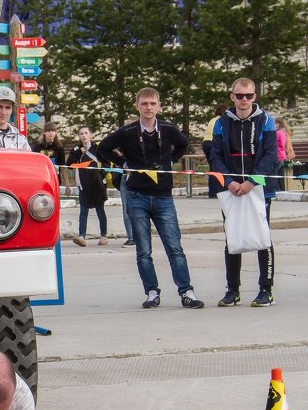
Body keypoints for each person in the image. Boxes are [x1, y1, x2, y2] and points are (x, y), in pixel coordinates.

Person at [92, 87, 205, 309]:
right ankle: (152, 291)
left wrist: (170, 160)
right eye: (144, 103)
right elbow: (103, 147)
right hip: (137, 196)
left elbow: (183, 144)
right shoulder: (127, 132)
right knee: (143, 250)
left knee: (174, 247)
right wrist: (122, 163)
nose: (148, 107)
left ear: (159, 106)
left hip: (163, 197)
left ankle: (187, 291)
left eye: (152, 103)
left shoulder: (168, 129)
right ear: (137, 106)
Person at [209, 78, 278, 307]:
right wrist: (229, 182)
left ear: (255, 97)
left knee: (263, 238)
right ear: (232, 97)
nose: (244, 100)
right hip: (231, 191)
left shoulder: (267, 121)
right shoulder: (221, 123)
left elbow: (270, 156)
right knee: (232, 238)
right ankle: (232, 290)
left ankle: (265, 290)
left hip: (258, 190)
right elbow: (216, 156)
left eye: (248, 96)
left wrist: (251, 181)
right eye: (239, 96)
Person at [66, 125, 108, 247]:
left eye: (86, 133)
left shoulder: (98, 149)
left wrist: (101, 175)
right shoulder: (76, 149)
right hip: (83, 184)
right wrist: (78, 152)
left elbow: (106, 163)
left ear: (90, 135)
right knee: (83, 211)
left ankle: (103, 235)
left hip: (98, 184)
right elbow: (69, 165)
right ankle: (82, 236)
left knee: (100, 210)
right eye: (81, 134)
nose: (84, 136)